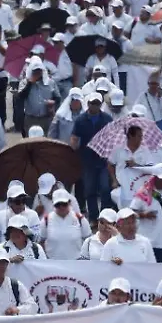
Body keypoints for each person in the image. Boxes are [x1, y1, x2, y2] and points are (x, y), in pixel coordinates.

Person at [70, 92, 115, 221]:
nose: (94, 106)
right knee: (90, 190)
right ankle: (93, 217)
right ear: (88, 104)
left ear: (100, 104)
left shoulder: (107, 119)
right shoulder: (80, 120)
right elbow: (74, 137)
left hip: (103, 160)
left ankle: (105, 217)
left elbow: (112, 138)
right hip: (87, 160)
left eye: (97, 103)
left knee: (105, 189)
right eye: (92, 103)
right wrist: (73, 147)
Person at [42, 189, 93, 260]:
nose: (61, 207)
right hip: (53, 263)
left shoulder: (80, 219)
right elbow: (41, 241)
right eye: (57, 205)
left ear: (69, 202)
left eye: (64, 204)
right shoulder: (46, 220)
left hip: (76, 262)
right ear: (53, 204)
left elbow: (89, 241)